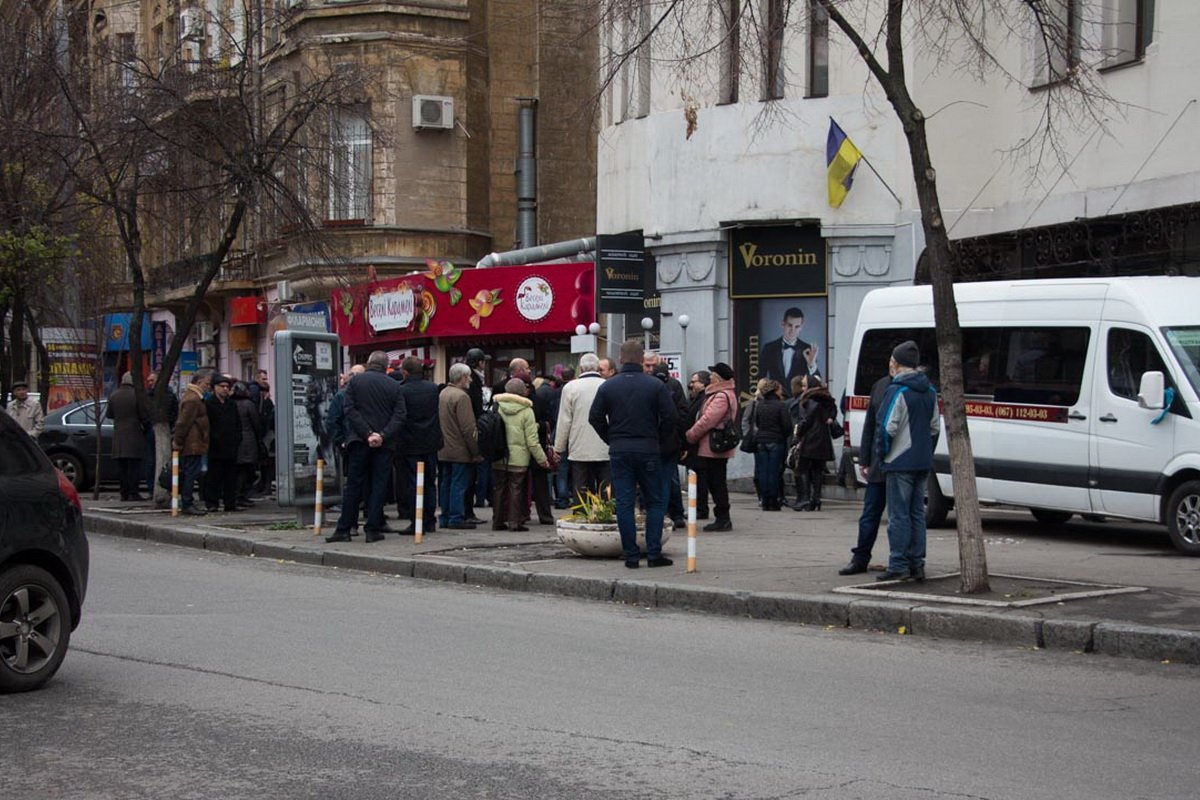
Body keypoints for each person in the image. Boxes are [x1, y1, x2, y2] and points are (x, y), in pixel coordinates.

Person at [588, 340, 676, 569]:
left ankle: (631, 555)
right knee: (655, 501)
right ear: (641, 359)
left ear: (620, 358)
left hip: (620, 450)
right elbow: (670, 417)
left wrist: (611, 438)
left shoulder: (608, 386)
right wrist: (657, 438)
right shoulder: (655, 386)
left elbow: (594, 417)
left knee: (625, 503)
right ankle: (654, 553)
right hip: (648, 449)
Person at [874, 341, 940, 582]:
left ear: (896, 363)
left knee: (898, 516)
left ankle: (898, 564)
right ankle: (917, 563)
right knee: (916, 514)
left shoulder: (897, 390)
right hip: (922, 461)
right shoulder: (930, 391)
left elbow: (886, 429)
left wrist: (882, 456)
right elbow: (935, 428)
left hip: (899, 461)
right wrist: (926, 453)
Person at [328, 351, 407, 543]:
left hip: (359, 441)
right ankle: (373, 528)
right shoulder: (394, 386)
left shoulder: (356, 382)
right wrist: (382, 434)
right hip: (385, 444)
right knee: (379, 486)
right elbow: (400, 415)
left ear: (370, 363)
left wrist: (366, 433)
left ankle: (344, 528)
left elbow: (350, 409)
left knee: (354, 485)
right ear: (386, 365)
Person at [838, 365, 895, 575]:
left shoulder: (909, 387)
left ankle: (902, 560)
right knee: (870, 514)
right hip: (877, 463)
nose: (891, 365)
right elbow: (871, 423)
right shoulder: (880, 386)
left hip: (900, 464)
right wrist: (864, 459)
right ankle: (860, 557)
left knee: (900, 516)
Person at [685, 362, 738, 532]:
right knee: (716, 481)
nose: (710, 377)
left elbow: (708, 420)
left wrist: (691, 434)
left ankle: (723, 518)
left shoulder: (721, 396)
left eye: (713, 374)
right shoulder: (719, 394)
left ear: (719, 378)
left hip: (714, 446)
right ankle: (722, 517)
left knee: (717, 483)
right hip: (711, 446)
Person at [492, 378, 549, 532]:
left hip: (498, 455)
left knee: (499, 488)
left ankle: (497, 521)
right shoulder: (526, 410)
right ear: (522, 391)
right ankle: (514, 522)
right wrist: (542, 459)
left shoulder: (496, 406)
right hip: (519, 457)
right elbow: (532, 440)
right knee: (516, 489)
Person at [395, 356, 442, 534]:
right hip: (430, 441)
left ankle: (417, 521)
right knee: (430, 482)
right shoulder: (432, 388)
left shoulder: (402, 391)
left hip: (409, 443)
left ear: (406, 372)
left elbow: (401, 416)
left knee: (414, 484)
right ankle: (429, 520)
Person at [554, 353, 610, 498]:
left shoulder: (570, 387)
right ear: (598, 367)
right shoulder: (607, 385)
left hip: (579, 447)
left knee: (581, 488)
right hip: (605, 447)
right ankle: (606, 515)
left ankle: (581, 515)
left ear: (581, 368)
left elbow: (565, 421)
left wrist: (559, 448)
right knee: (606, 488)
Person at [438, 363, 481, 529]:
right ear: (462, 377)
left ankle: (445, 516)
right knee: (458, 484)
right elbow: (468, 428)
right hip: (459, 448)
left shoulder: (443, 393)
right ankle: (456, 517)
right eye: (468, 376)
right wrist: (475, 451)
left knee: (446, 483)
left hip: (444, 447)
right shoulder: (462, 397)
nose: (470, 379)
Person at [789, 375, 838, 512]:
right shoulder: (826, 398)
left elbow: (806, 420)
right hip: (823, 438)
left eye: (805, 385)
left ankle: (806, 499)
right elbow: (833, 413)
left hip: (810, 438)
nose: (803, 388)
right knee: (818, 470)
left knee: (803, 468)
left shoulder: (810, 400)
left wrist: (797, 434)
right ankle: (816, 499)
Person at [651, 361, 688, 528]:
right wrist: (683, 442)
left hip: (652, 442)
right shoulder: (675, 386)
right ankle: (675, 513)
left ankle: (662, 514)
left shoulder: (649, 386)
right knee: (669, 480)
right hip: (671, 442)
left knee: (657, 482)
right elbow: (682, 415)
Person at [173, 370, 212, 515]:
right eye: (206, 383)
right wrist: (178, 441)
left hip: (194, 441)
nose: (208, 386)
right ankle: (187, 503)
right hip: (192, 443)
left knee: (191, 472)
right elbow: (183, 423)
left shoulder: (194, 397)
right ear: (199, 382)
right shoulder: (193, 399)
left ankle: (187, 502)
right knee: (191, 473)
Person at [106, 372, 149, 502]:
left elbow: (109, 414)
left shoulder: (114, 395)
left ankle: (123, 493)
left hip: (119, 436)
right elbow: (144, 415)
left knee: (122, 468)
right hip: (135, 434)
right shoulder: (137, 395)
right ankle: (133, 492)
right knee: (134, 467)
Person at [751, 378, 792, 511]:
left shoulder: (760, 405)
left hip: (761, 441)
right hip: (776, 440)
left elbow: (757, 423)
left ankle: (764, 500)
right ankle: (773, 501)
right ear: (775, 390)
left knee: (763, 471)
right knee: (774, 472)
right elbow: (787, 426)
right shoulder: (781, 405)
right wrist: (782, 436)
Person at [760, 306, 821, 393]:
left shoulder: (807, 350)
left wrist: (811, 364)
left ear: (801, 327)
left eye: (797, 326)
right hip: (775, 402)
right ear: (782, 323)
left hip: (798, 403)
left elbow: (817, 383)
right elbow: (760, 378)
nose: (792, 330)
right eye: (789, 325)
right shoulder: (769, 348)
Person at [204, 375, 242, 513]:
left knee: (230, 477)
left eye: (227, 387)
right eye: (222, 386)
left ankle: (230, 503)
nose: (225, 389)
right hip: (215, 446)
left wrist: (237, 439)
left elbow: (238, 424)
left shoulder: (231, 404)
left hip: (231, 446)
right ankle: (212, 503)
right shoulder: (209, 404)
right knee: (214, 476)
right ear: (214, 388)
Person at [463, 348, 490, 523]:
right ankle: (466, 512)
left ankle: (465, 512)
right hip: (470, 431)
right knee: (469, 477)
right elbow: (475, 408)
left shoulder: (473, 379)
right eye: (483, 361)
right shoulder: (473, 381)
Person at [143, 372, 179, 497]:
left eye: (152, 380)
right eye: (149, 381)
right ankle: (152, 488)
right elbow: (143, 413)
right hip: (151, 430)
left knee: (165, 461)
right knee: (150, 462)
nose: (150, 383)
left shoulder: (169, 395)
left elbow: (175, 412)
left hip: (165, 430)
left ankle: (164, 488)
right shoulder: (147, 396)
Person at [682, 371, 711, 520]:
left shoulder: (704, 399)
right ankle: (697, 507)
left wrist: (691, 435)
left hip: (698, 444)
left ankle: (701, 508)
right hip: (692, 444)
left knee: (700, 478)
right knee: (694, 476)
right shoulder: (693, 398)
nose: (691, 384)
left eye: (695, 381)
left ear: (704, 383)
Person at [232, 381, 264, 509]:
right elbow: (256, 423)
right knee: (246, 470)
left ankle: (237, 496)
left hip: (235, 441)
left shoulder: (231, 403)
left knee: (238, 470)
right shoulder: (248, 405)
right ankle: (241, 496)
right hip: (248, 441)